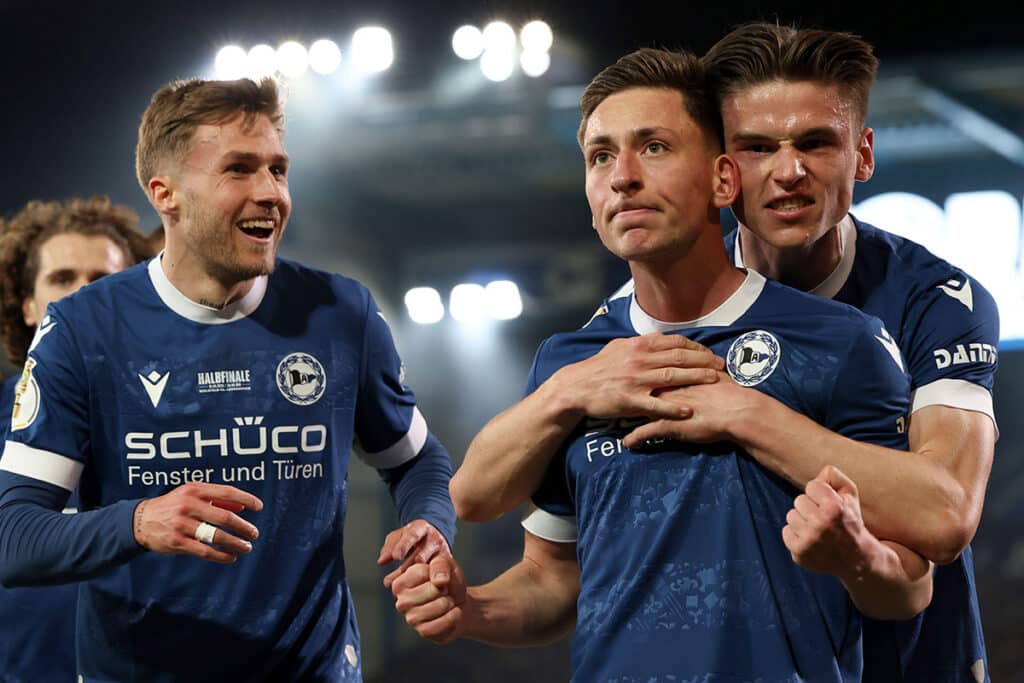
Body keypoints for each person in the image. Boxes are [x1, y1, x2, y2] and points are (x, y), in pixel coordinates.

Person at [453, 23, 998, 683]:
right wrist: (566, 391)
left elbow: (944, 514)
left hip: (916, 655)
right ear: (726, 171)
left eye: (815, 142)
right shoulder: (614, 343)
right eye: (756, 147)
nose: (788, 172)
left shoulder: (927, 302)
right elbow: (496, 517)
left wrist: (745, 413)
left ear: (862, 154)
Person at [0, 77, 455, 682]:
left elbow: (417, 461)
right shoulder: (83, 329)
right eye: (239, 169)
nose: (271, 193)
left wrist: (429, 523)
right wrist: (139, 522)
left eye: (278, 170)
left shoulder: (342, 313)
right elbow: (14, 535)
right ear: (165, 194)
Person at [0, 195, 148, 682]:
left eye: (102, 280)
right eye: (62, 279)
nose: (83, 296)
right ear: (26, 304)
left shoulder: (184, 422)